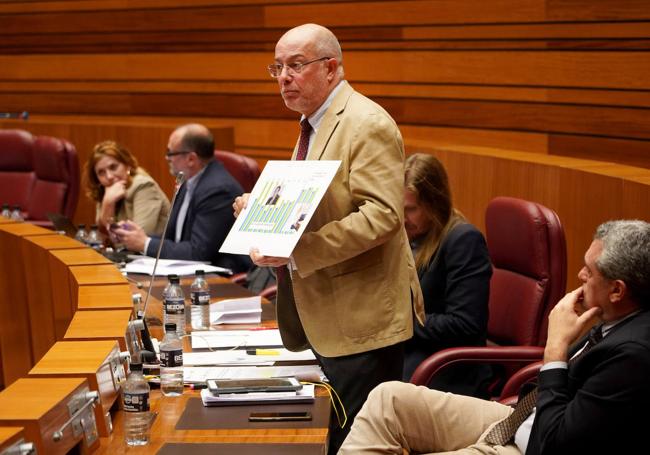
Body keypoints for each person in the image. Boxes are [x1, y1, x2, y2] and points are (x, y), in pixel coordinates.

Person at [232, 24, 424, 454]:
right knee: (329, 439)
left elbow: (382, 217)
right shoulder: (313, 123)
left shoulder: (366, 122)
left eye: (295, 66)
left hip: (361, 320)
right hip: (326, 316)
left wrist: (296, 252)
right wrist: (263, 209)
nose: (283, 77)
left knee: (356, 444)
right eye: (277, 67)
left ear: (331, 68)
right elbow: (322, 202)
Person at [339, 219, 650, 455]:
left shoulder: (633, 356)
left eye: (589, 271)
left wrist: (555, 350)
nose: (581, 276)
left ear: (617, 290)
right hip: (522, 417)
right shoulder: (613, 315)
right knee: (388, 399)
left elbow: (556, 442)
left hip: (535, 444)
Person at [402, 153, 492, 397]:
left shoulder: (463, 241)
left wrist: (398, 323)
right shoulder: (411, 238)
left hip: (447, 370)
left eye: (410, 209)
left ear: (434, 204)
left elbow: (465, 325)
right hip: (415, 355)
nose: (402, 218)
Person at [115, 124, 251, 273]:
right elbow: (174, 238)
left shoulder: (217, 190)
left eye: (170, 153)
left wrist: (145, 244)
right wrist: (134, 237)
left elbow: (198, 252)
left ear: (191, 159)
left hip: (221, 280)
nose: (167, 158)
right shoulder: (189, 181)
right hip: (188, 271)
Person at [83, 140, 170, 237]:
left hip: (151, 251)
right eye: (101, 172)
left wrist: (107, 203)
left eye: (113, 167)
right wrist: (108, 203)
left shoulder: (143, 186)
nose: (109, 176)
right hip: (124, 251)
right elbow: (103, 237)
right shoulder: (106, 189)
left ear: (127, 165)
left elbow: (138, 238)